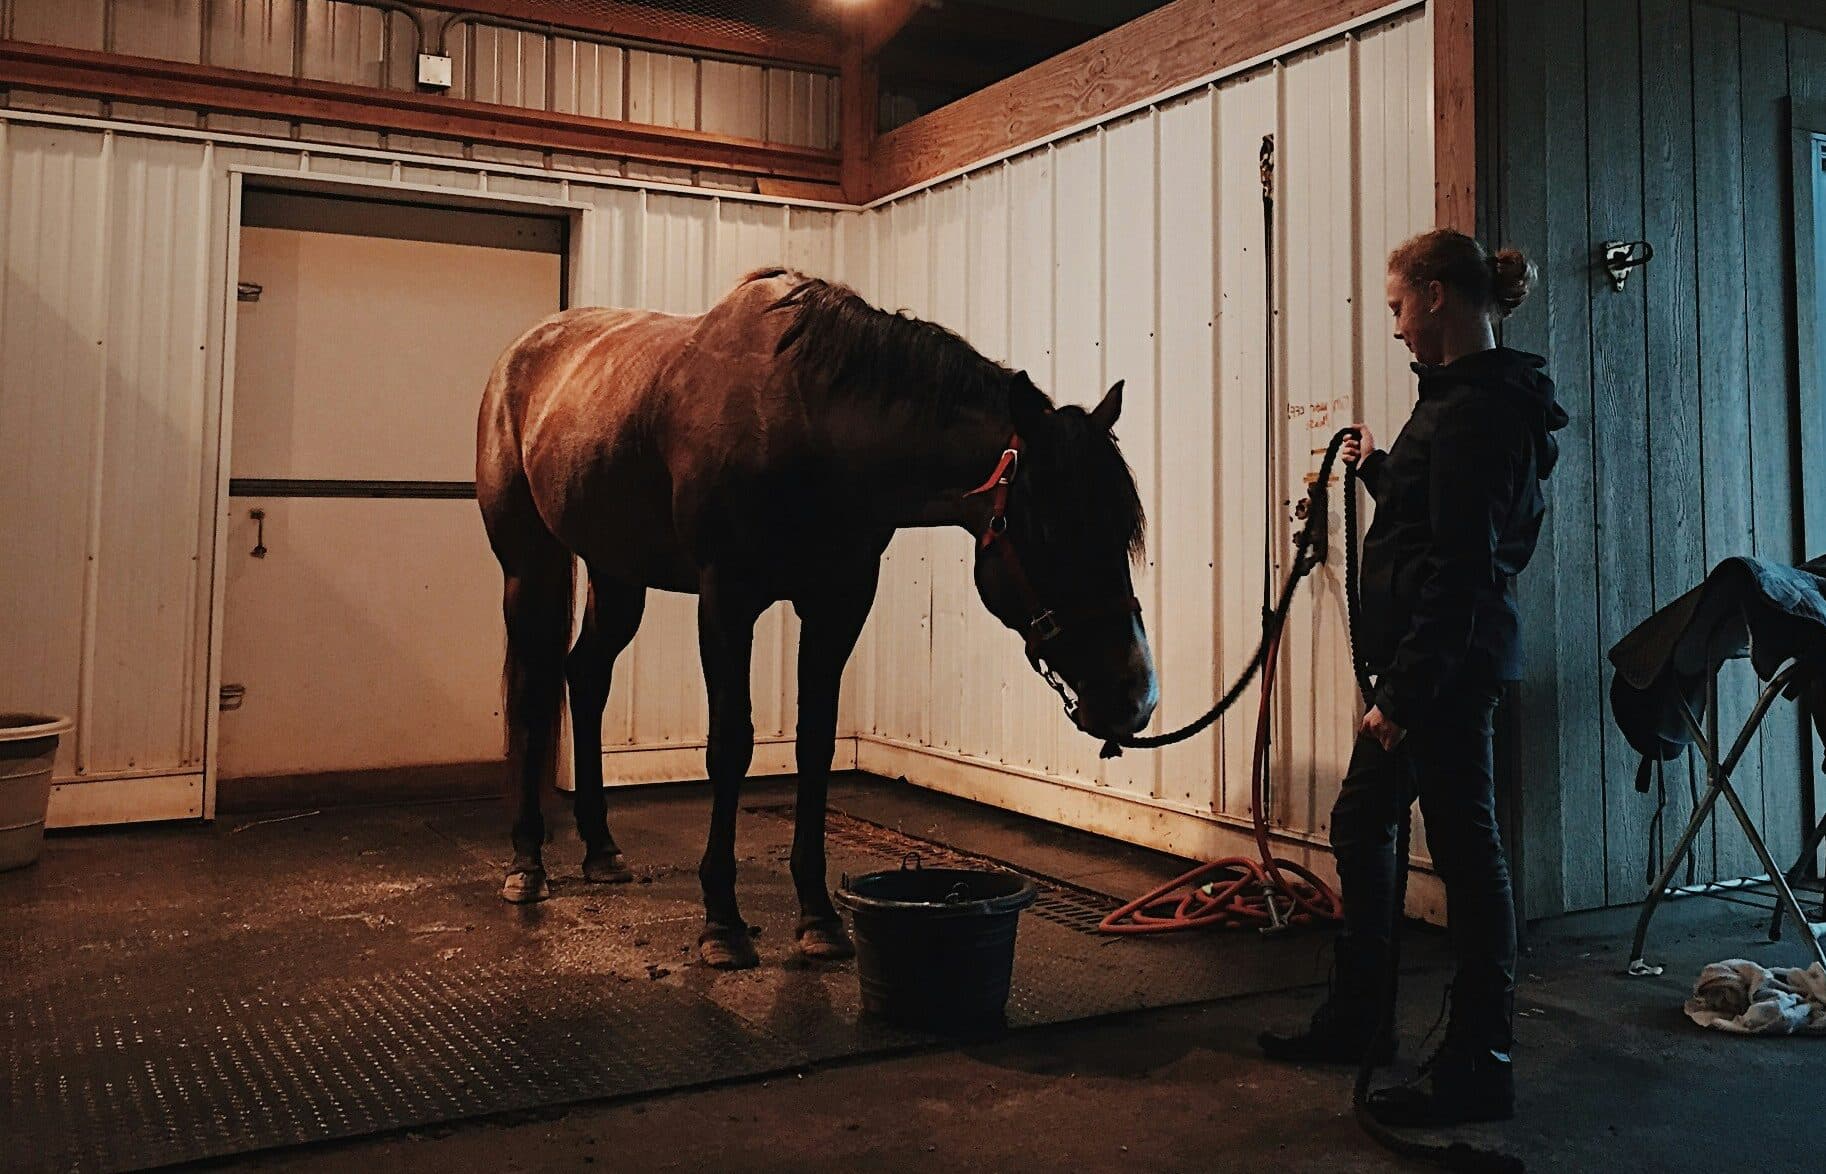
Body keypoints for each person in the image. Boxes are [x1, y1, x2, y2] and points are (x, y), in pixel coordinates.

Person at [1258, 228, 1569, 1127]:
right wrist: (1383, 470)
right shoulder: (1461, 401)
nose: (1393, 326)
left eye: (1396, 305)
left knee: (1469, 856)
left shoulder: (1476, 408)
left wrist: (1404, 694)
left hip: (1442, 672)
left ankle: (1480, 1061)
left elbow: (1463, 567)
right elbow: (1442, 521)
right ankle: (1364, 1020)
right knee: (1364, 821)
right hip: (1429, 666)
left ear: (1435, 294)